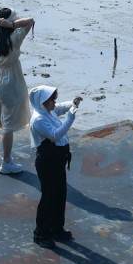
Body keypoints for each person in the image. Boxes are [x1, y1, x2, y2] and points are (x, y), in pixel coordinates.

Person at [28, 84, 82, 248]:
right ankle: (41, 233)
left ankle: (56, 228)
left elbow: (60, 108)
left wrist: (72, 103)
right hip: (47, 162)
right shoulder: (38, 119)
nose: (54, 102)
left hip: (57, 160)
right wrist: (70, 118)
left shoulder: (48, 110)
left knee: (60, 194)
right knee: (48, 197)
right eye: (52, 99)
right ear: (43, 102)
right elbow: (55, 135)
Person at [0, 7, 34, 174]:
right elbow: (30, 21)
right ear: (9, 22)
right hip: (8, 82)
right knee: (7, 125)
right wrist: (12, 25)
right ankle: (6, 162)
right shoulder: (15, 38)